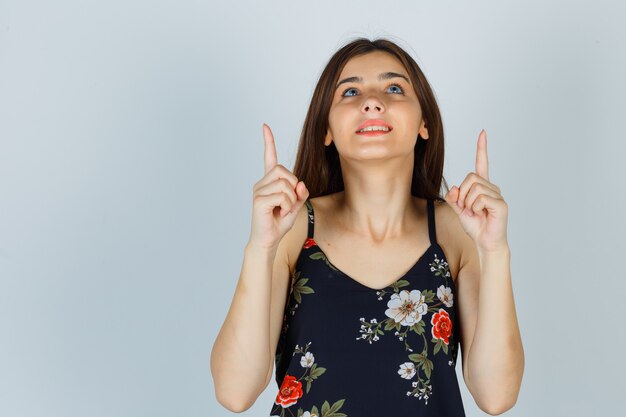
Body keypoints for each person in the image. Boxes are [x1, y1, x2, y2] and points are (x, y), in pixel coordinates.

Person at [210, 37, 524, 416]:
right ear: (326, 129)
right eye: (350, 91)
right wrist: (260, 248)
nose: (372, 102)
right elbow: (234, 391)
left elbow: (496, 396)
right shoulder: (294, 229)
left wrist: (495, 251)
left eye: (394, 88)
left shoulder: (456, 232)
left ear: (424, 122)